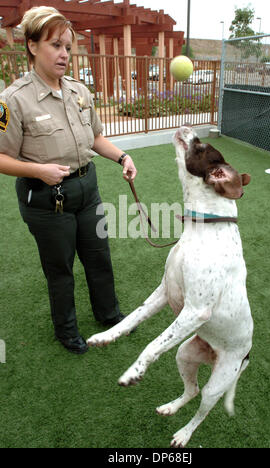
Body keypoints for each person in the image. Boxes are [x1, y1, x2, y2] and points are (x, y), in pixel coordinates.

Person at [0, 6, 137, 355]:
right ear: (31, 46)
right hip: (47, 201)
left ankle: (109, 314)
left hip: (86, 189)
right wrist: (39, 170)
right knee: (60, 270)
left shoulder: (78, 91)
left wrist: (122, 156)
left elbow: (94, 138)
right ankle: (67, 330)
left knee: (99, 257)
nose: (64, 54)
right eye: (55, 45)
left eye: (67, 47)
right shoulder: (12, 100)